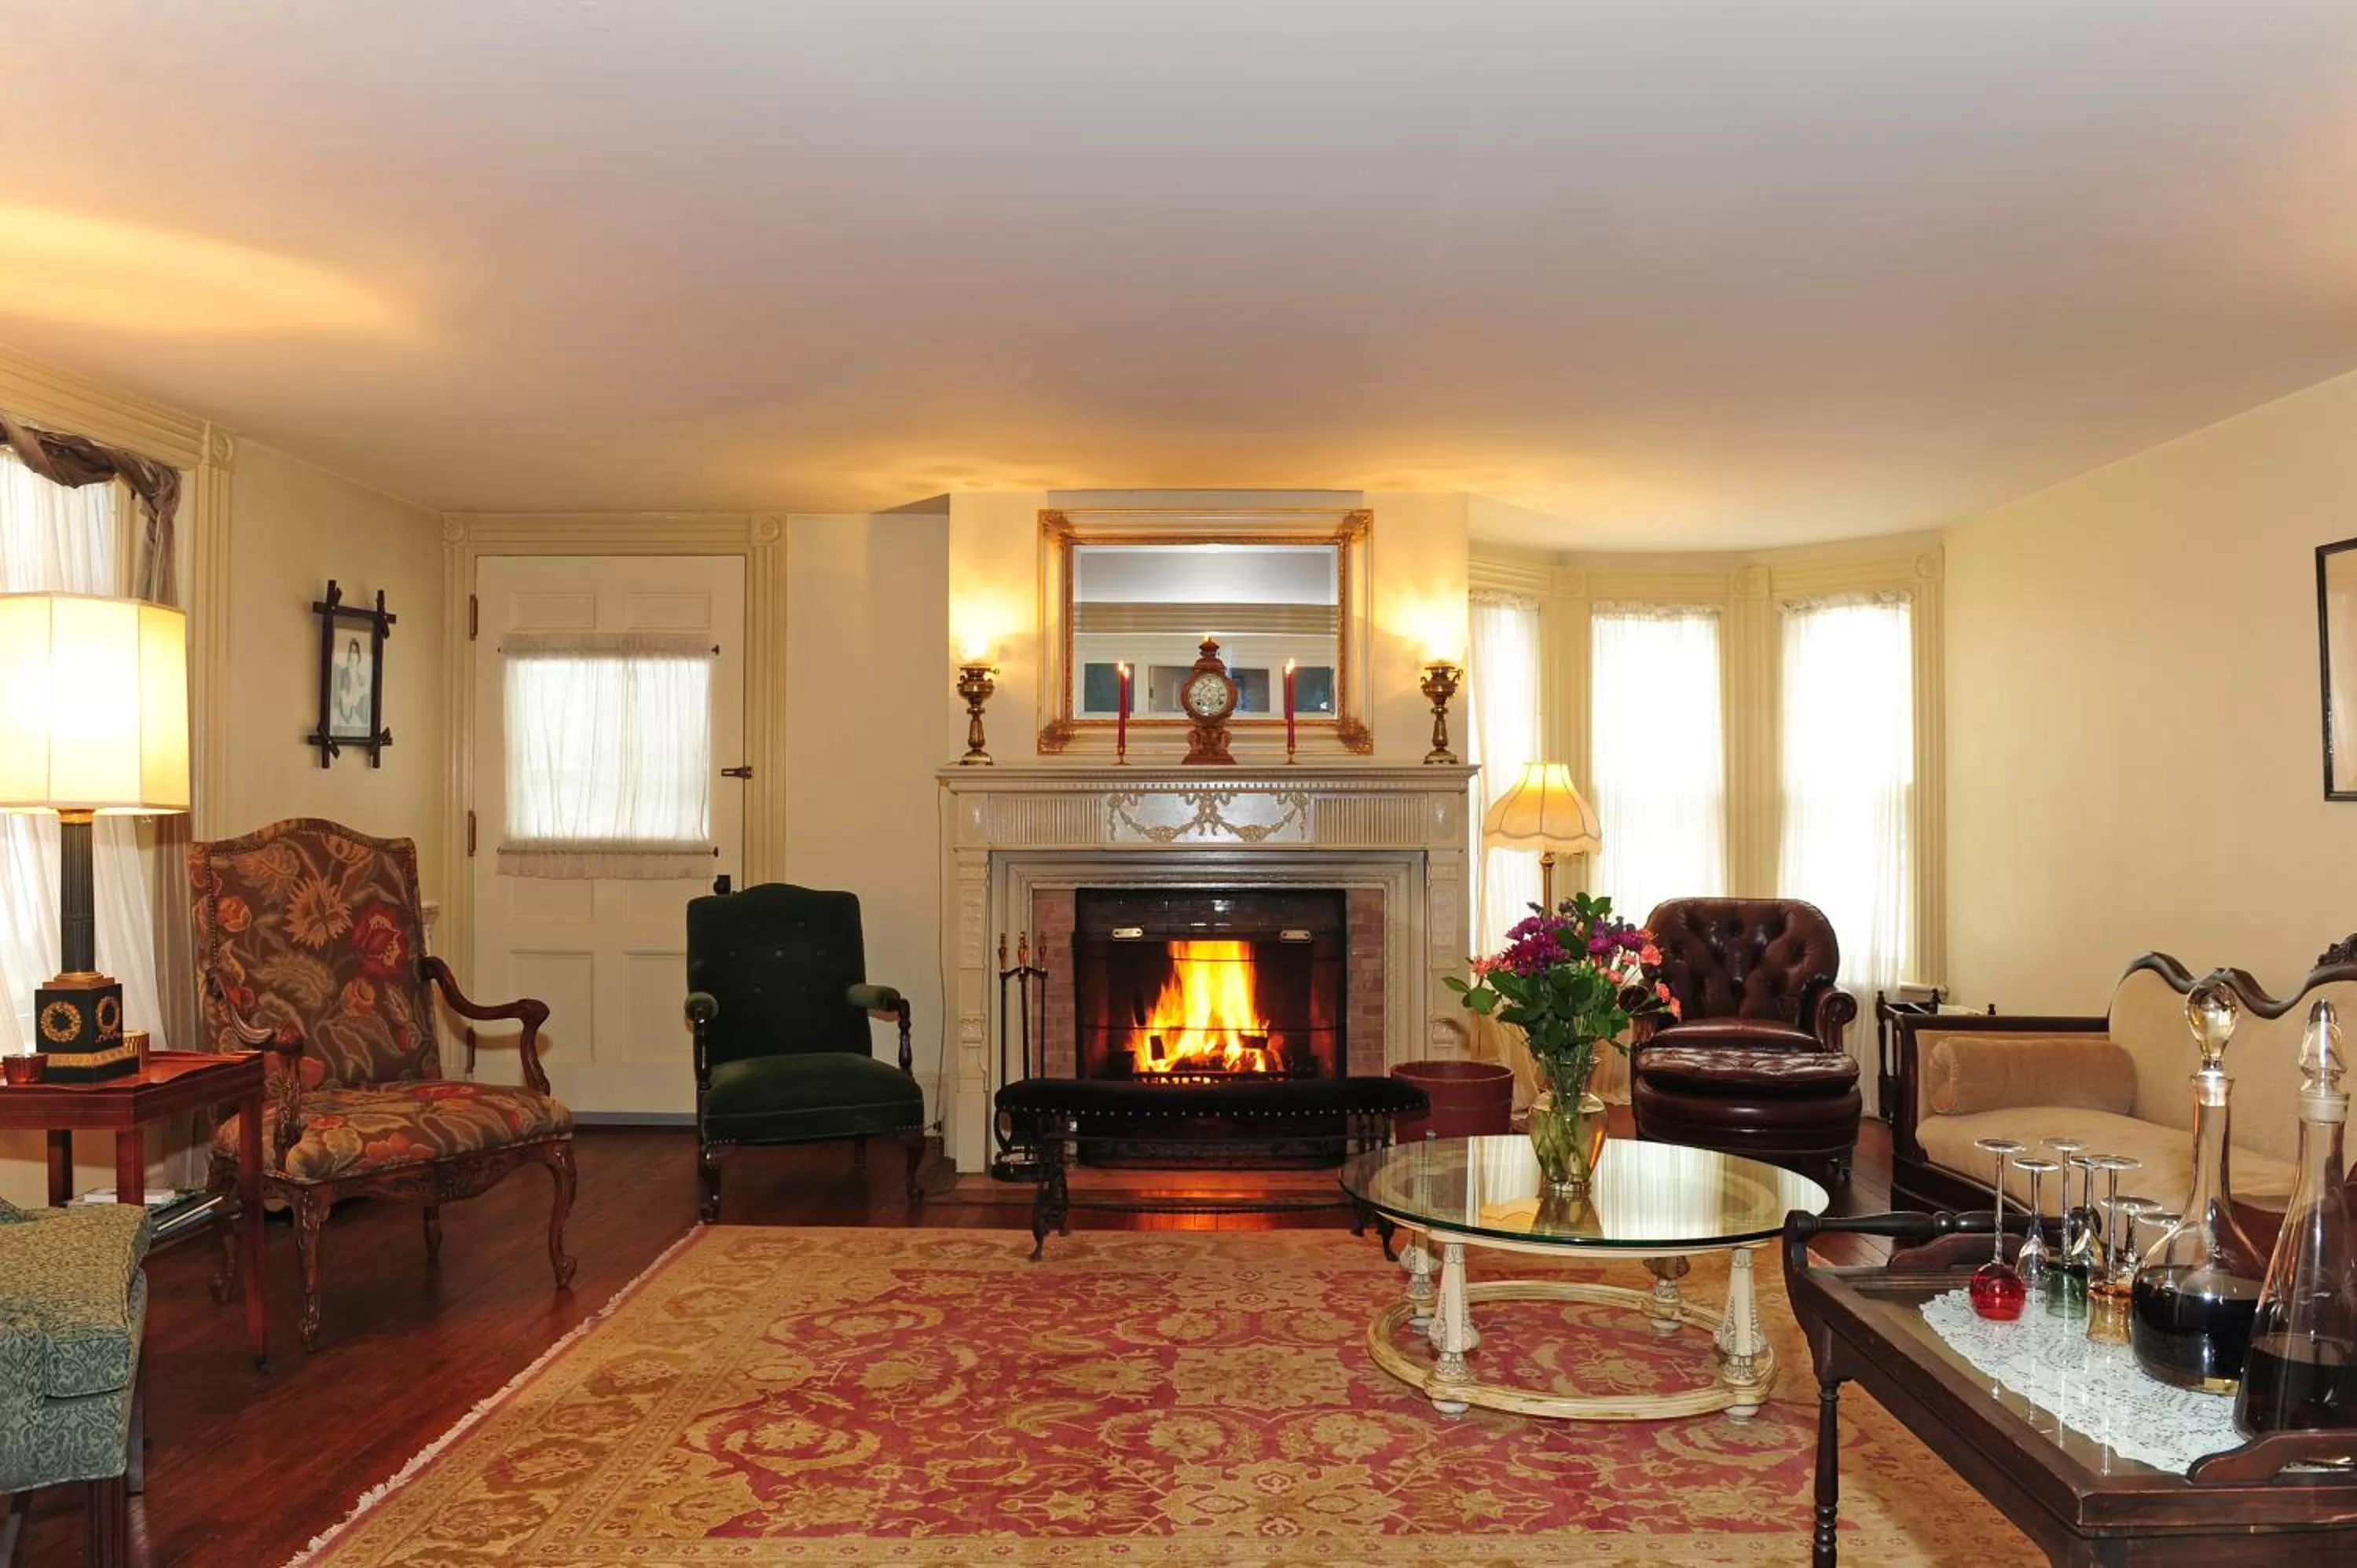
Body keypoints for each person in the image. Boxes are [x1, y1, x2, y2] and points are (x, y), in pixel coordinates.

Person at [332, 636, 370, 731]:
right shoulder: (342, 673)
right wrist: (356, 697)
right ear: (348, 655)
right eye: (351, 652)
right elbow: (343, 700)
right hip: (344, 719)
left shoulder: (362, 679)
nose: (353, 656)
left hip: (357, 722)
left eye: (356, 652)